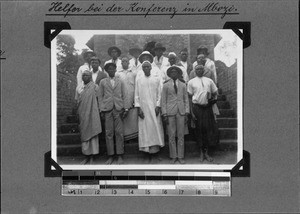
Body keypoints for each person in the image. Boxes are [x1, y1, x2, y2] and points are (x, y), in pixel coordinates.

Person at [98, 63, 130, 165]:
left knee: (119, 133)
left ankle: (120, 155)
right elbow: (100, 97)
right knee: (109, 133)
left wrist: (126, 108)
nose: (111, 70)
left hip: (118, 109)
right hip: (107, 109)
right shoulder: (103, 82)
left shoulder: (120, 81)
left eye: (113, 69)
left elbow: (125, 95)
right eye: (109, 69)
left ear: (115, 70)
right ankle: (111, 156)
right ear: (106, 71)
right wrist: (102, 109)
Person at [134, 61, 164, 163]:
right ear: (142, 69)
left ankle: (155, 153)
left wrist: (158, 106)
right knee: (145, 130)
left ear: (151, 68)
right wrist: (138, 108)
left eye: (148, 66)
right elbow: (136, 95)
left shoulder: (155, 80)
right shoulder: (139, 80)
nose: (146, 68)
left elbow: (159, 94)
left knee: (155, 129)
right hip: (144, 109)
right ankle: (146, 153)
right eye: (144, 67)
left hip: (154, 109)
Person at [187, 65, 219, 162]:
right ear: (194, 71)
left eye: (201, 69)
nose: (199, 70)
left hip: (207, 108)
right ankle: (201, 152)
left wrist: (212, 100)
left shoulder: (209, 80)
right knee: (199, 130)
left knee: (208, 130)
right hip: (197, 108)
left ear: (204, 70)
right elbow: (189, 98)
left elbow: (215, 93)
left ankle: (207, 153)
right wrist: (191, 112)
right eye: (197, 69)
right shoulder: (191, 82)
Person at [161, 66, 189, 164]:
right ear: (169, 74)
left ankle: (180, 156)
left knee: (181, 135)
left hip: (181, 112)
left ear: (178, 74)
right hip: (170, 112)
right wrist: (164, 114)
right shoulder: (165, 85)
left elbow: (186, 100)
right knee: (171, 135)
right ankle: (173, 156)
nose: (174, 73)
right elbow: (163, 100)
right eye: (172, 72)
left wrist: (186, 112)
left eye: (175, 72)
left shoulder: (183, 84)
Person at [77, 70, 102, 164]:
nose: (84, 77)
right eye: (83, 75)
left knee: (93, 132)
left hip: (93, 113)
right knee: (84, 134)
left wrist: (99, 111)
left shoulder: (95, 87)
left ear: (90, 76)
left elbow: (99, 99)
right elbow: (77, 101)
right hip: (83, 113)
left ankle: (92, 156)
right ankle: (86, 156)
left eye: (87, 75)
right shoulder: (79, 88)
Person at [190, 54, 220, 119]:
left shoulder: (210, 72)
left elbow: (213, 84)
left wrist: (211, 97)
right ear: (196, 60)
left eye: (202, 58)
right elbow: (191, 87)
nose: (201, 59)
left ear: (205, 60)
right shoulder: (192, 73)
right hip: (197, 96)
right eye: (199, 58)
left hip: (208, 96)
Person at [116, 57, 138, 141]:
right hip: (123, 96)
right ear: (121, 63)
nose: (124, 63)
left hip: (132, 94)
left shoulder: (133, 73)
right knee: (125, 116)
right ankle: (126, 137)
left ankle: (134, 136)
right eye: (123, 61)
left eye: (126, 61)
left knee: (132, 115)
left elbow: (136, 85)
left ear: (129, 63)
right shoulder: (118, 73)